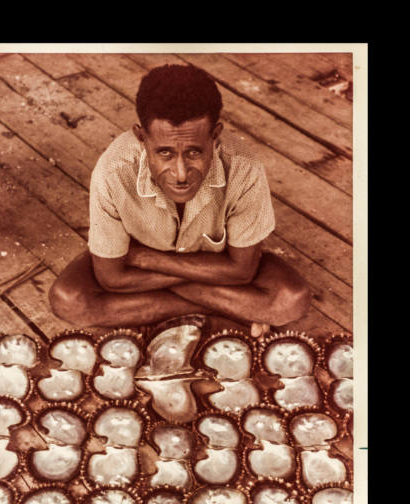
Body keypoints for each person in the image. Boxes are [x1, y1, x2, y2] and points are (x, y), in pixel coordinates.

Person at [49, 63, 311, 337]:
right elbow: (111, 279)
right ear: (141, 138)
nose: (181, 173)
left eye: (194, 153)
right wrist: (221, 282)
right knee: (69, 300)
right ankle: (223, 310)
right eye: (164, 153)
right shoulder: (113, 171)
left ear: (215, 136)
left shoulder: (244, 167)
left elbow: (244, 272)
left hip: (141, 275)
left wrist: (147, 259)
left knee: (291, 300)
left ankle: (165, 310)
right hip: (213, 279)